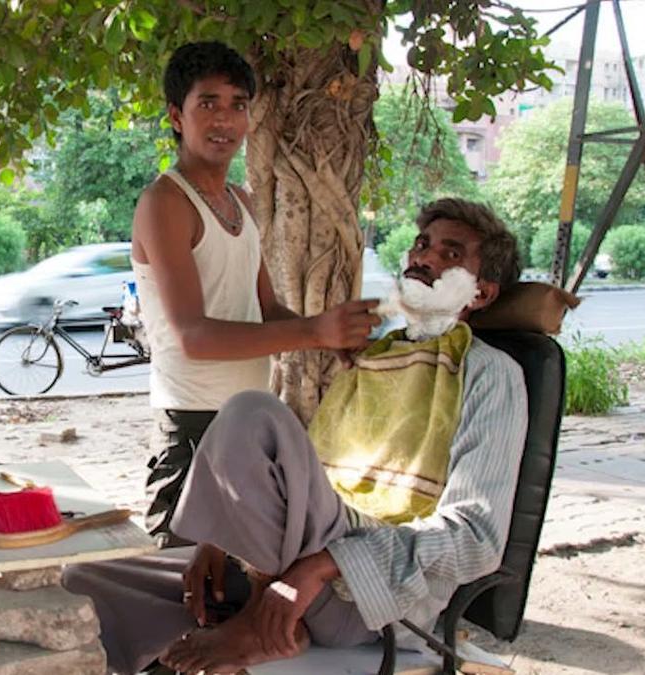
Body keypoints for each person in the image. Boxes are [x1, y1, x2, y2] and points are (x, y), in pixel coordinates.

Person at [65, 198, 528, 674]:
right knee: (82, 582)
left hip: (373, 597)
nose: (423, 259)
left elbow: (477, 538)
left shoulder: (490, 374)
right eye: (421, 246)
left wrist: (323, 565)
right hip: (298, 562)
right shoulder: (374, 357)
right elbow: (308, 490)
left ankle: (262, 622)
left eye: (450, 255)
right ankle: (252, 604)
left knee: (253, 410)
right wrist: (219, 542)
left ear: (481, 294)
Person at [134, 41, 379, 543]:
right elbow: (194, 338)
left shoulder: (241, 202)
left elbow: (266, 308)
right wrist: (313, 331)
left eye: (238, 105)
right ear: (177, 116)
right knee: (179, 583)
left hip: (247, 419)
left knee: (242, 582)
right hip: (192, 424)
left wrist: (334, 338)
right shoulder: (166, 202)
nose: (224, 119)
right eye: (208, 104)